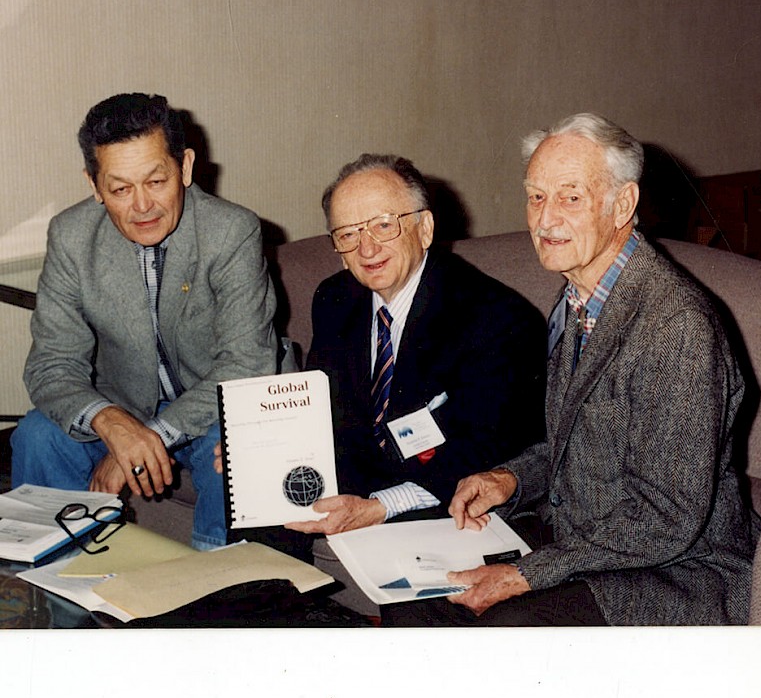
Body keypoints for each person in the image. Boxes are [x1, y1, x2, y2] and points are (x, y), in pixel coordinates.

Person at [384, 113, 760, 626]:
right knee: (415, 594)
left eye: (570, 197)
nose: (545, 220)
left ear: (622, 205)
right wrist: (509, 479)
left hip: (676, 569)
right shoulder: (576, 299)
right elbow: (581, 447)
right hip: (589, 540)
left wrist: (526, 575)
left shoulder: (676, 325)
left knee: (507, 626)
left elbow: (666, 517)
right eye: (536, 197)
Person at [12, 93, 277, 550]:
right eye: (120, 189)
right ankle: (56, 571)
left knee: (235, 450)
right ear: (94, 186)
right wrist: (110, 422)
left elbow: (245, 365)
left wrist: (147, 437)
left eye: (156, 181)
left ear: (185, 167)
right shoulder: (72, 237)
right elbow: (52, 364)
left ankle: (216, 581)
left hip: (212, 408)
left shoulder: (232, 231)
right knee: (37, 435)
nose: (142, 206)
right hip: (123, 402)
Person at [281, 153, 543, 543]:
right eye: (348, 234)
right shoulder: (334, 298)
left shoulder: (494, 315)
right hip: (356, 480)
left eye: (384, 225)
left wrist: (379, 506)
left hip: (441, 496)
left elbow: (488, 447)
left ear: (425, 229)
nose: (367, 249)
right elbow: (323, 409)